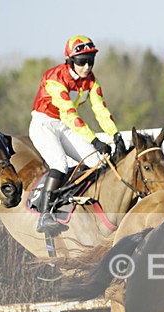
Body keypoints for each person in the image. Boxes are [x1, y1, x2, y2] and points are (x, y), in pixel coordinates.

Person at [30, 34, 120, 233]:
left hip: (64, 126)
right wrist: (95, 140)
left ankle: (76, 205)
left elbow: (101, 110)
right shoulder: (54, 77)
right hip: (44, 124)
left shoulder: (91, 81)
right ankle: (45, 215)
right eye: (82, 62)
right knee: (59, 164)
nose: (87, 67)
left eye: (91, 61)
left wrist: (115, 135)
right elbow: (70, 114)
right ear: (70, 61)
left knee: (96, 162)